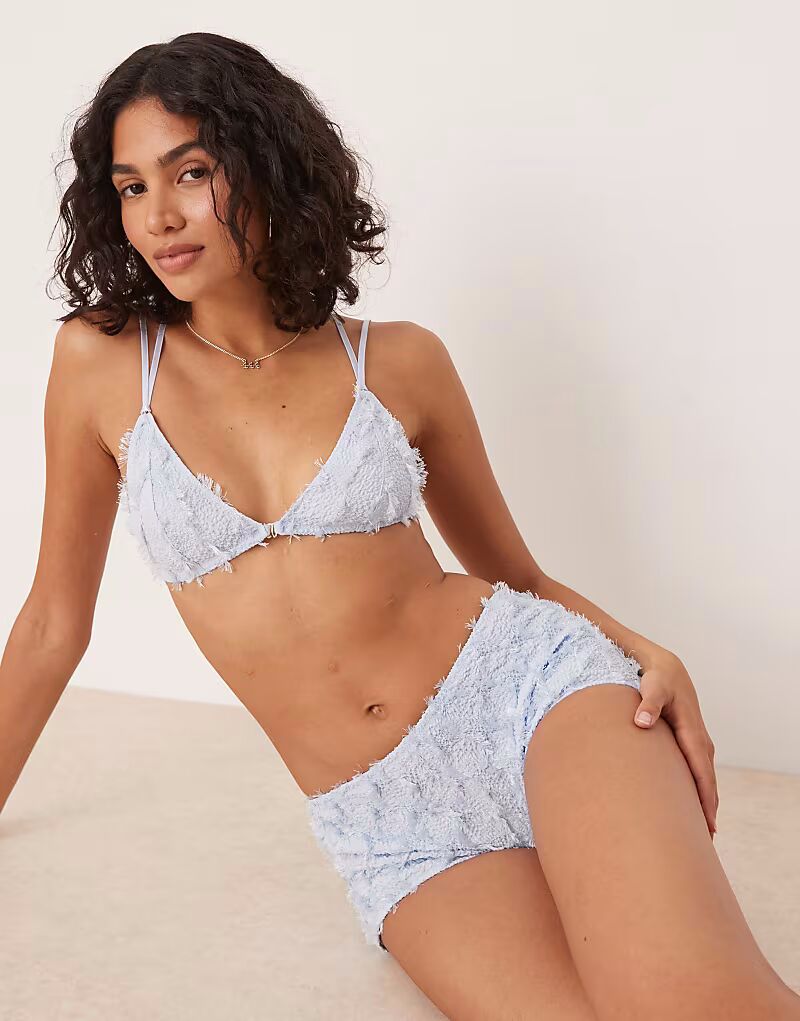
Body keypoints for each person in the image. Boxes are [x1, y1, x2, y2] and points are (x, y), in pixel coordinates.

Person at [1, 31, 797, 1021]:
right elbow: (52, 624)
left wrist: (642, 650)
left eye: (191, 172)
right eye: (130, 187)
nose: (158, 215)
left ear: (266, 162)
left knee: (693, 1005)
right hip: (390, 819)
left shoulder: (400, 361)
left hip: (531, 700)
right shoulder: (103, 362)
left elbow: (513, 572)